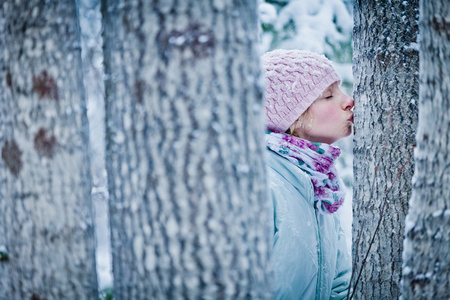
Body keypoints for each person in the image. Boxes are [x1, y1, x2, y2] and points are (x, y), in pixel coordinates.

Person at [262, 49, 353, 299]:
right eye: (328, 95)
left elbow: (340, 283)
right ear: (294, 117)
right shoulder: (261, 187)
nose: (349, 100)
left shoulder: (321, 188)